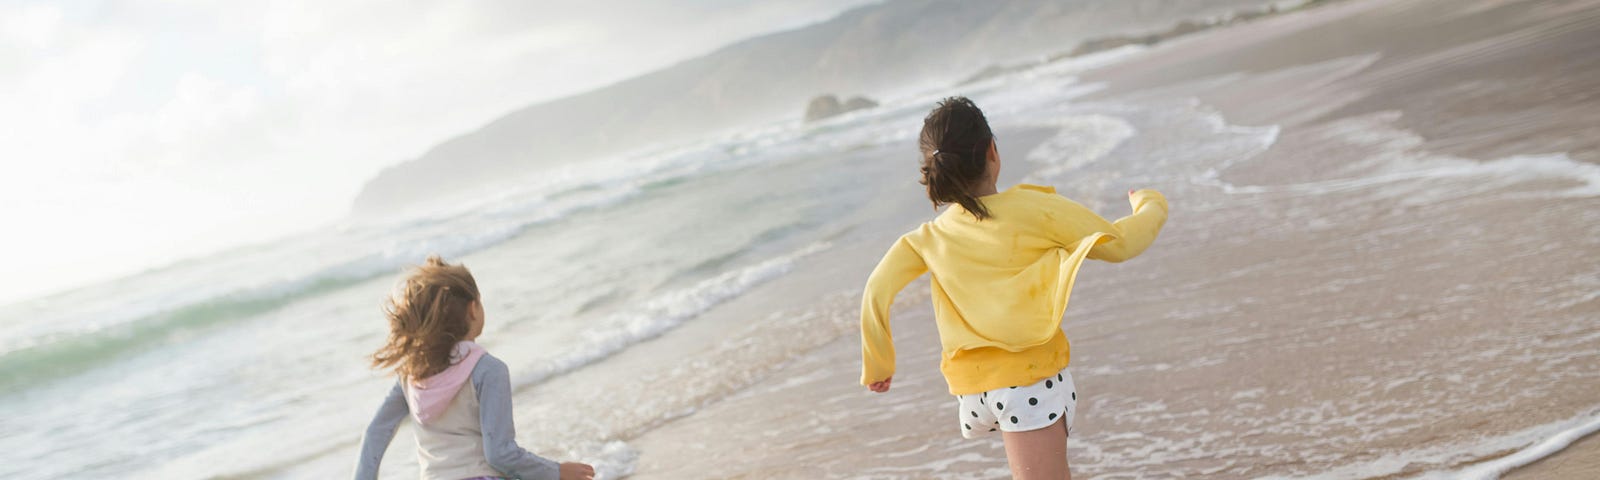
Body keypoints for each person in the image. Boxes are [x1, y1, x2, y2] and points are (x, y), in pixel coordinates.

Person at [859, 97, 1168, 479]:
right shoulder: (1034, 209)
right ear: (992, 151)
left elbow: (876, 290)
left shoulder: (927, 237)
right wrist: (1150, 204)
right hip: (1027, 381)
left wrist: (879, 364)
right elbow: (1120, 243)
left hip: (972, 392)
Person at [354, 255, 595, 480]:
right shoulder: (487, 369)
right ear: (473, 309)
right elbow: (500, 454)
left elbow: (375, 433)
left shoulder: (411, 376)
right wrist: (556, 471)